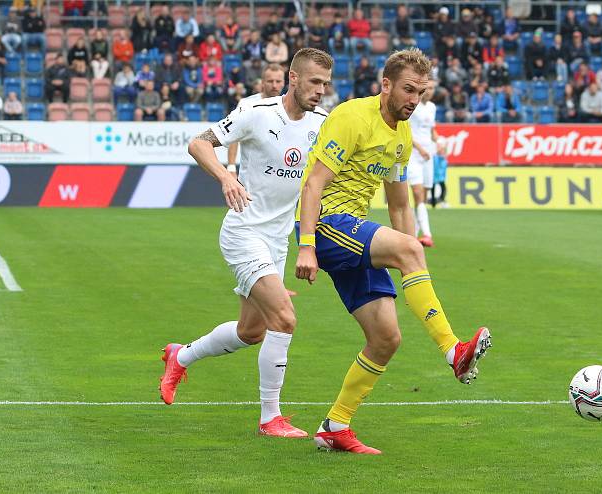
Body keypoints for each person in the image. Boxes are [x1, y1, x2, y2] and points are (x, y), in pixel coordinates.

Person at [294, 48, 492, 455]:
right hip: (327, 223)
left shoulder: (402, 135)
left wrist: (410, 259)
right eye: (407, 90)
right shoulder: (352, 117)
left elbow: (400, 205)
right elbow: (313, 184)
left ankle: (335, 424)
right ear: (385, 85)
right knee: (406, 251)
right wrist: (306, 248)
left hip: (353, 231)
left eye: (420, 92)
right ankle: (454, 350)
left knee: (385, 338)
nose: (414, 100)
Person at [159, 48, 333, 439]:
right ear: (293, 78)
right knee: (284, 318)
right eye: (314, 82)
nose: (321, 90)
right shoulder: (256, 112)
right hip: (243, 232)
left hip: (276, 240)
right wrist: (226, 177)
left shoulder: (323, 125)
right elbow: (199, 143)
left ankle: (179, 356)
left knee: (251, 331)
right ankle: (270, 418)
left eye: (325, 83)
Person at [226, 63, 286, 172]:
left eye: (278, 81)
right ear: (262, 82)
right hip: (251, 176)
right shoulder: (246, 104)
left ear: (284, 83)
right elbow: (234, 136)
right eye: (270, 81)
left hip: (281, 173)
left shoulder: (290, 106)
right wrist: (231, 167)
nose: (274, 85)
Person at [408, 79, 437, 247]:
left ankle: (415, 235)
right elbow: (406, 131)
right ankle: (427, 233)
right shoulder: (413, 106)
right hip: (414, 155)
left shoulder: (432, 107)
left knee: (423, 197)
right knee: (418, 194)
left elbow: (432, 131)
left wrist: (439, 143)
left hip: (428, 156)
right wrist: (419, 148)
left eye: (433, 88)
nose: (431, 91)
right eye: (428, 88)